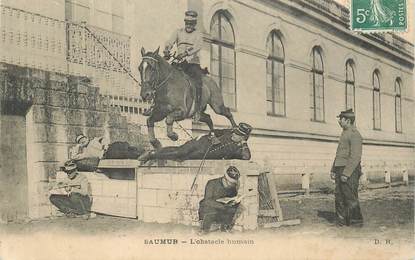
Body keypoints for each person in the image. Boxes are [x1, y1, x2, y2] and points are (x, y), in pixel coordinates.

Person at [138, 123, 252, 163]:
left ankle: (154, 153)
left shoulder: (238, 148)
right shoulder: (229, 132)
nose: (234, 134)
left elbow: (247, 157)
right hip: (202, 142)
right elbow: (213, 131)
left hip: (202, 154)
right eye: (235, 132)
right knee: (180, 151)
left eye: (238, 134)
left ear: (243, 137)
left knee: (180, 156)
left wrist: (243, 143)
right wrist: (212, 137)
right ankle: (152, 154)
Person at [163, 10, 204, 121]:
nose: (188, 25)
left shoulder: (198, 34)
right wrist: (167, 49)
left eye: (191, 23)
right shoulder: (178, 32)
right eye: (187, 23)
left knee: (198, 83)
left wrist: (186, 53)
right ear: (184, 22)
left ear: (194, 24)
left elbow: (197, 47)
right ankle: (156, 104)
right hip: (179, 62)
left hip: (192, 63)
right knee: (166, 77)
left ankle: (198, 110)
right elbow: (170, 41)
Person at [330, 109, 364, 227]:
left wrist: (346, 173)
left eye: (341, 119)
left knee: (350, 196)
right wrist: (333, 170)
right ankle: (341, 221)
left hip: (350, 170)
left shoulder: (355, 135)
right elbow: (339, 153)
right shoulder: (344, 133)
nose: (339, 121)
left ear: (348, 120)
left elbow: (355, 157)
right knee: (339, 195)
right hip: (340, 169)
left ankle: (356, 221)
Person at [198, 166, 241, 233]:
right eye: (230, 183)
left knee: (234, 206)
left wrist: (234, 202)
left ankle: (225, 226)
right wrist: (222, 206)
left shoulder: (232, 187)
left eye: (233, 184)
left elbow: (232, 198)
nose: (231, 186)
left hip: (223, 208)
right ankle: (204, 229)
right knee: (206, 205)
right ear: (224, 179)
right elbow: (207, 201)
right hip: (210, 208)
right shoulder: (212, 183)